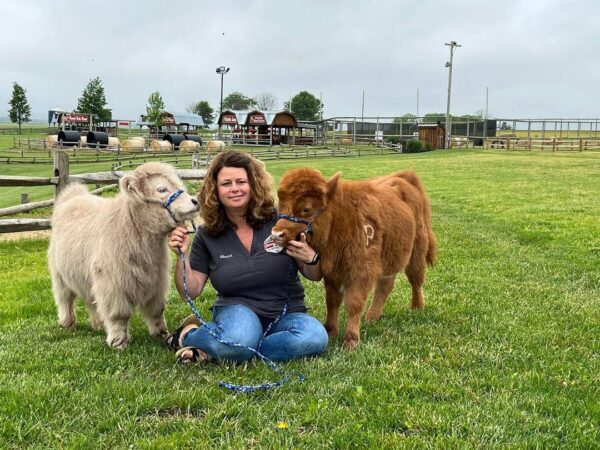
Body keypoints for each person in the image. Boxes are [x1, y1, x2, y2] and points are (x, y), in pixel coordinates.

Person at [166, 151, 328, 364]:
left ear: (253, 184)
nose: (234, 189)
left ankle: (233, 348)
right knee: (239, 337)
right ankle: (188, 334)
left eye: (241, 181)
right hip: (237, 311)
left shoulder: (280, 222)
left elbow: (314, 275)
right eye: (226, 183)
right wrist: (182, 256)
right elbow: (190, 291)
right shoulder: (208, 233)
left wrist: (311, 257)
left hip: (286, 312)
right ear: (215, 189)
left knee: (315, 337)